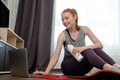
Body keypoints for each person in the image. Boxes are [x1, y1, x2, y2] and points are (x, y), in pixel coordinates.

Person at [33, 8, 120, 76]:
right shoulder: (63, 35)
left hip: (83, 67)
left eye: (66, 18)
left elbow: (100, 45)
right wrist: (47, 72)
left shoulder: (85, 29)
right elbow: (56, 56)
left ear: (75, 17)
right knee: (88, 50)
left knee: (95, 49)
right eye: (62, 19)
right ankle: (108, 69)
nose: (64, 21)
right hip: (68, 67)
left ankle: (116, 66)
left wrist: (83, 48)